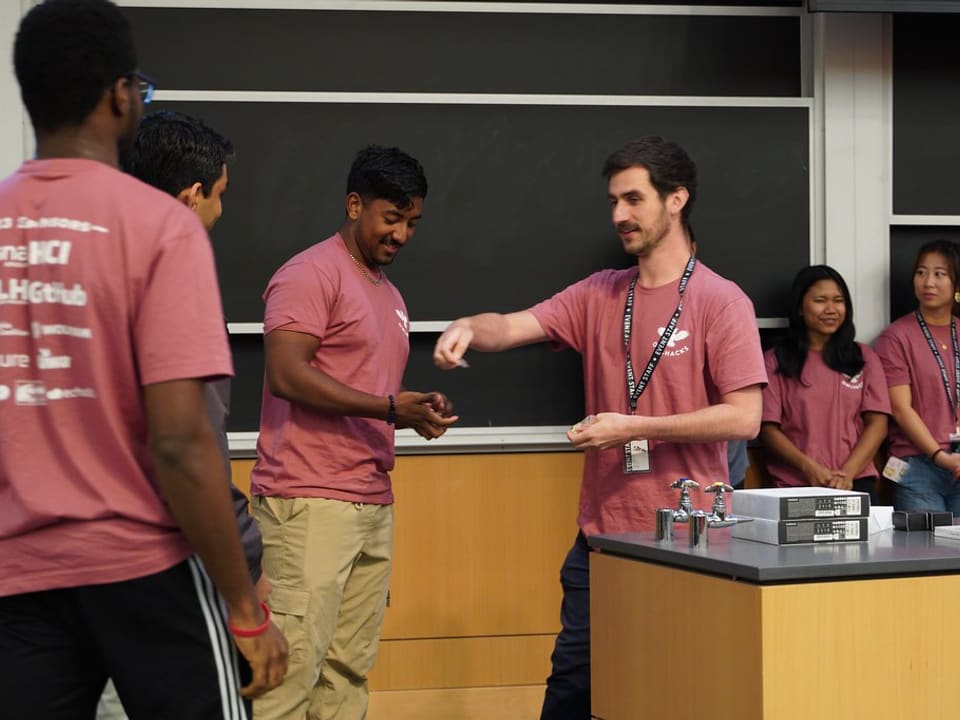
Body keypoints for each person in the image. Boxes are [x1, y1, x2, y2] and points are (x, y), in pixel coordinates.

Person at [0, 2, 287, 718]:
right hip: (148, 568)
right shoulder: (160, 226)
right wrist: (244, 606)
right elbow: (181, 441)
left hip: (19, 576)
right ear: (120, 95)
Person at [433, 136, 766, 720]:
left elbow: (745, 415)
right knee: (572, 691)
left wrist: (635, 426)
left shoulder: (721, 301)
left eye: (633, 199)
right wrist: (466, 325)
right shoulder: (601, 293)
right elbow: (511, 326)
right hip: (603, 540)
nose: (619, 215)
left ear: (676, 199)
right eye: (613, 201)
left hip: (690, 541)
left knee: (674, 691)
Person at [251, 145, 458, 720]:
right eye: (391, 218)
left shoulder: (389, 296)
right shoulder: (309, 273)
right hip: (307, 503)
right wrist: (391, 408)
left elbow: (365, 388)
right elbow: (288, 374)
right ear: (354, 204)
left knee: (346, 675)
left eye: (413, 222)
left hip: (370, 503)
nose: (402, 235)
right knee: (287, 680)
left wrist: (415, 407)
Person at [93, 111, 272, 719]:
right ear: (192, 195)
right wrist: (246, 570)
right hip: (162, 568)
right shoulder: (176, 281)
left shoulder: (81, 268)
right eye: (220, 197)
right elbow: (191, 445)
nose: (220, 214)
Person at [758, 265, 890, 500]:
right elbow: (768, 430)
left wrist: (848, 472)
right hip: (796, 484)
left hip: (856, 482)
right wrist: (810, 468)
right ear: (800, 307)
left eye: (838, 301)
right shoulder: (775, 361)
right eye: (820, 300)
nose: (831, 309)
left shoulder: (863, 357)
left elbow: (877, 423)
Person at [875, 239, 960, 512]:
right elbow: (901, 409)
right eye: (921, 272)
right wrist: (939, 456)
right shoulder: (896, 337)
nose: (928, 282)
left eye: (940, 274)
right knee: (929, 550)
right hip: (917, 465)